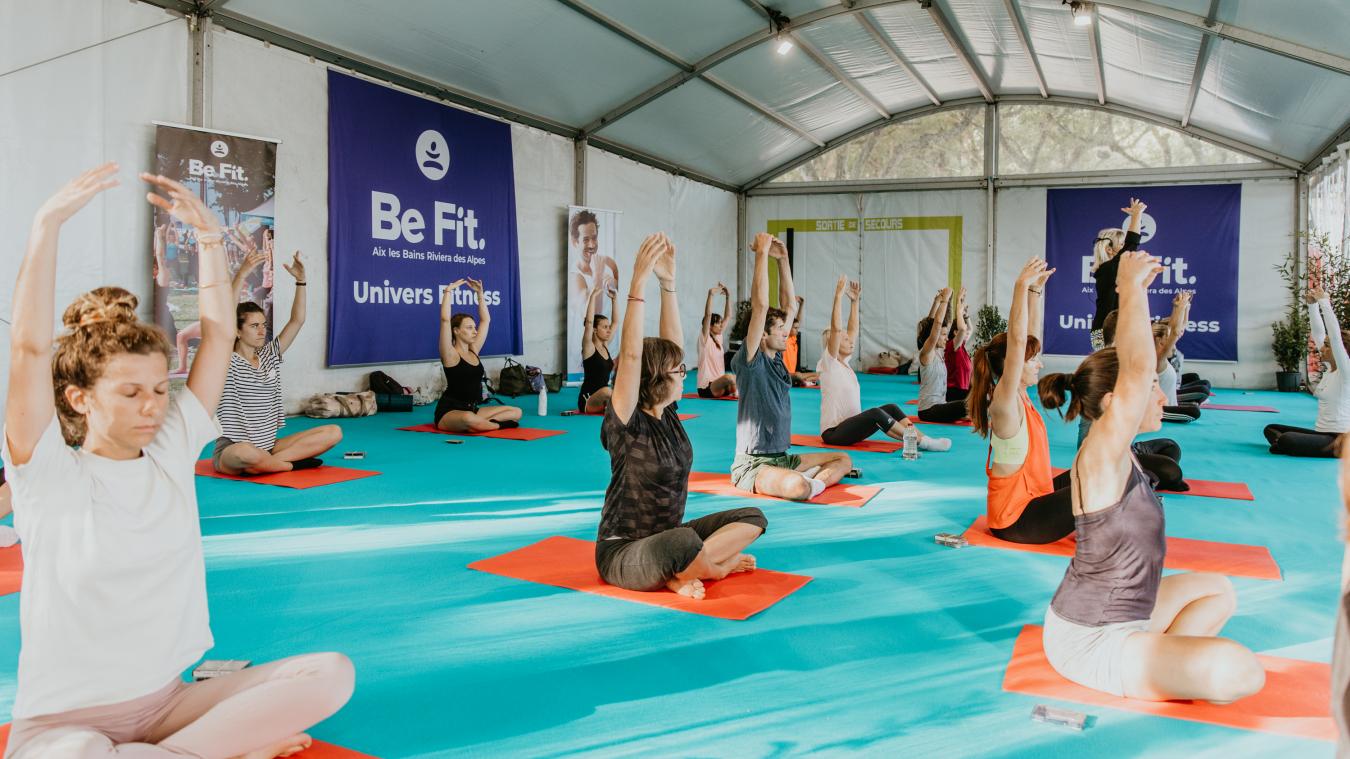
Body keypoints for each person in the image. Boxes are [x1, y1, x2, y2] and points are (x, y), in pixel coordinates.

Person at [2, 164, 354, 757]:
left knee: (331, 673)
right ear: (79, 398)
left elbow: (217, 337)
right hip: (64, 726)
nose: (152, 407)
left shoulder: (168, 449)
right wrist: (45, 228)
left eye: (159, 390)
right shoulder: (46, 473)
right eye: (130, 393)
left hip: (168, 705)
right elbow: (30, 348)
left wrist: (212, 241)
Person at [1039, 249, 1264, 704]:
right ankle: (1157, 667)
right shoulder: (1099, 454)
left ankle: (1162, 664)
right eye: (1150, 390)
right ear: (1114, 403)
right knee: (1240, 671)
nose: (1161, 394)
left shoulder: (1123, 453)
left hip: (1129, 617)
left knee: (1217, 589)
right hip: (1091, 640)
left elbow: (1144, 369)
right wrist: (1130, 287)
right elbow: (1138, 369)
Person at [596, 233, 767, 600]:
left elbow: (672, 343)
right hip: (624, 551)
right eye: (678, 371)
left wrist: (668, 285)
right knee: (683, 541)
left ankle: (689, 569)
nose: (684, 373)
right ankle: (711, 568)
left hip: (672, 540)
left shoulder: (669, 413)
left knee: (752, 518)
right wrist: (638, 284)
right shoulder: (626, 423)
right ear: (655, 378)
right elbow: (629, 358)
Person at [730, 234, 851, 501]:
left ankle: (811, 481)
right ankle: (809, 482)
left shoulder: (776, 359)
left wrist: (783, 260)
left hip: (784, 458)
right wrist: (761, 254)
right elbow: (760, 306)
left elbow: (790, 305)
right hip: (753, 465)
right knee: (798, 489)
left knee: (843, 459)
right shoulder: (751, 361)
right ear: (762, 334)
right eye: (780, 329)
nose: (787, 333)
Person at [967, 258, 1071, 544]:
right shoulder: (1005, 400)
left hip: (1034, 501)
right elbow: (1017, 342)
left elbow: (1028, 338)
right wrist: (1020, 287)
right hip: (1015, 519)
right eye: (1032, 361)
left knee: (1093, 469)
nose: (1039, 364)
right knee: (1097, 484)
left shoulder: (1021, 395)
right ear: (1013, 365)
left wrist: (1035, 293)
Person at [212, 250, 343, 475]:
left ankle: (268, 464)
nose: (262, 331)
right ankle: (287, 464)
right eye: (254, 326)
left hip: (270, 447)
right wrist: (242, 273)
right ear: (237, 330)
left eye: (263, 324)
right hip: (233, 449)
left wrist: (301, 281)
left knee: (333, 432)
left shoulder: (269, 356)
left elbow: (297, 320)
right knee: (246, 454)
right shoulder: (226, 360)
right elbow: (224, 318)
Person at [817, 276, 951, 451]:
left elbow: (853, 329)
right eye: (844, 339)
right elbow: (836, 329)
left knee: (892, 408)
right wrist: (838, 298)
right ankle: (922, 443)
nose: (850, 341)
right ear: (832, 344)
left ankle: (922, 438)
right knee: (875, 413)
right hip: (834, 433)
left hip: (851, 427)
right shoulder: (829, 363)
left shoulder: (845, 364)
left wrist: (855, 302)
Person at [1265, 288, 1349, 457]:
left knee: (1287, 439)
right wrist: (1312, 306)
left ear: (1340, 351)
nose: (1322, 348)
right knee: (1271, 429)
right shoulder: (1329, 370)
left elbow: (1334, 338)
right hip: (1322, 434)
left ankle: (1284, 444)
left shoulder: (1346, 372)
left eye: (1326, 345)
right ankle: (1283, 444)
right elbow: (1319, 334)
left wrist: (1325, 302)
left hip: (1340, 439)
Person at [434, 278, 523, 432]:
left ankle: (481, 425)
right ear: (456, 331)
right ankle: (497, 425)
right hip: (449, 412)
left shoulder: (474, 349)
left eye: (474, 327)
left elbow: (486, 320)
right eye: (469, 328)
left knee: (516, 412)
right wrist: (448, 292)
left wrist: (480, 294)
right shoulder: (450, 354)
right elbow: (444, 320)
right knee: (468, 419)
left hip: (472, 409)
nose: (475, 331)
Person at [1089, 198, 1145, 351]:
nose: (1124, 250)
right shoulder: (1108, 269)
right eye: (1121, 246)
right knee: (1109, 370)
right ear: (1109, 249)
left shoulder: (1109, 270)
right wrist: (1136, 216)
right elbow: (1132, 244)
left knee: (1106, 368)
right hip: (1103, 333)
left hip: (1100, 332)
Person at [916, 288, 968, 423]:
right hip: (928, 411)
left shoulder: (939, 351)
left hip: (940, 406)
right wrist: (945, 300)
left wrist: (940, 301)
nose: (947, 338)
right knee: (970, 403)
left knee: (975, 401)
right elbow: (936, 325)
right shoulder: (927, 353)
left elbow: (935, 323)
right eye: (943, 335)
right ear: (934, 336)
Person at [1153, 293, 1201, 424]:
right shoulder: (1158, 358)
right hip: (1163, 407)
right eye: (1165, 338)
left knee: (1197, 383)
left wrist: (1183, 306)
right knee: (1194, 409)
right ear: (1159, 340)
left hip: (1169, 400)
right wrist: (1181, 306)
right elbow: (1175, 330)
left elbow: (1178, 327)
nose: (1170, 339)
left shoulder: (1161, 353)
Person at [578, 278, 617, 413]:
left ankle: (614, 406)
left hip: (604, 398)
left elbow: (616, 322)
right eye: (604, 327)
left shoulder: (605, 345)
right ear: (595, 330)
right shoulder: (589, 348)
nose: (608, 330)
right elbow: (589, 322)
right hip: (587, 399)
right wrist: (593, 296)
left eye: (608, 327)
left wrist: (614, 300)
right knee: (607, 390)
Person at [697, 282, 737, 398]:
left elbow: (728, 316)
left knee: (741, 376)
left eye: (721, 324)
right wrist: (710, 295)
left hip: (721, 386)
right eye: (718, 324)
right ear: (710, 326)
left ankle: (735, 391)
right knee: (729, 377)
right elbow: (708, 315)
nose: (721, 326)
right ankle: (736, 392)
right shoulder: (704, 339)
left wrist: (728, 296)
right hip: (706, 388)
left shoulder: (718, 337)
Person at [783, 295, 819, 387]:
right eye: (795, 328)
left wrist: (801, 305)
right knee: (798, 375)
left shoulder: (793, 339)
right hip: (785, 375)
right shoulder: (784, 338)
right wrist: (791, 303)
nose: (797, 330)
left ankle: (806, 381)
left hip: (792, 375)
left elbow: (798, 321)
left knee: (819, 374)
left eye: (797, 328)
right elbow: (787, 316)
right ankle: (805, 381)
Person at [945, 288, 973, 402]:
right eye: (963, 331)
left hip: (963, 390)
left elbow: (970, 329)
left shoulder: (961, 345)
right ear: (955, 333)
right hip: (954, 391)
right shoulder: (953, 346)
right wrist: (958, 305)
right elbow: (963, 329)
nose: (966, 333)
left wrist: (965, 315)